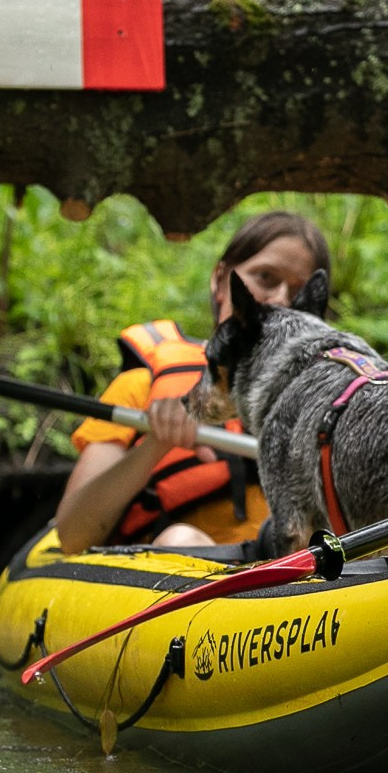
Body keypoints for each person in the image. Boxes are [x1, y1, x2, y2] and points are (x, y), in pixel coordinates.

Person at [53, 211, 331, 553]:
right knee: (181, 539)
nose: (281, 301)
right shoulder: (140, 387)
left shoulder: (329, 403)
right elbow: (73, 536)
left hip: (298, 570)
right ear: (220, 279)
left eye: (299, 292)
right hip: (186, 564)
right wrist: (156, 443)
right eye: (265, 277)